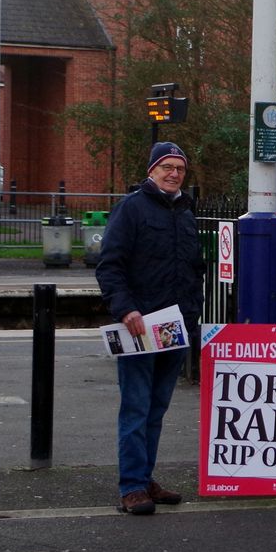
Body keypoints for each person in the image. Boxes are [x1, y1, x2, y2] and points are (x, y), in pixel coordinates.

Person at [96, 142, 205, 515]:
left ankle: (145, 478)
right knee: (136, 409)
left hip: (176, 328)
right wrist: (125, 308)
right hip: (141, 327)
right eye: (167, 167)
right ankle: (131, 487)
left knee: (156, 410)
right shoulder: (132, 209)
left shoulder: (185, 213)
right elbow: (110, 265)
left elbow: (193, 270)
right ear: (152, 171)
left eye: (180, 168)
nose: (174, 174)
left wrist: (193, 316)